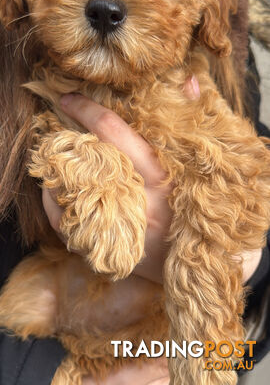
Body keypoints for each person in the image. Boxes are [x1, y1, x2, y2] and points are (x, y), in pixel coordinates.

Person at [0, 76, 269, 385]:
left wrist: (246, 262)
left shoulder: (215, 76)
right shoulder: (55, 85)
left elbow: (250, 169)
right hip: (48, 347)